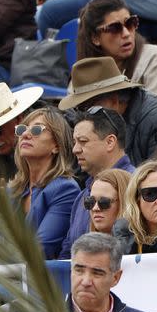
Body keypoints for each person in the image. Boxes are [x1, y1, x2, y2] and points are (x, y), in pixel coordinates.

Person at [59, 56, 157, 166]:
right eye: (79, 108)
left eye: (89, 108)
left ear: (114, 100)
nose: (85, 115)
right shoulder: (105, 119)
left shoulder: (156, 119)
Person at [59, 106, 135, 259]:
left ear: (110, 142)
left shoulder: (140, 187)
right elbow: (67, 254)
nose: (75, 149)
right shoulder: (81, 196)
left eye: (83, 141)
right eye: (75, 142)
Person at [77, 0, 157, 106]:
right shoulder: (83, 71)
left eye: (130, 23)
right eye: (114, 28)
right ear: (95, 38)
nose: (126, 34)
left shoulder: (155, 58)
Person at [8, 108, 81, 259]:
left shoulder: (65, 189)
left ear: (57, 146)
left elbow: (41, 248)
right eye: (22, 129)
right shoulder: (13, 190)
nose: (25, 135)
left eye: (36, 130)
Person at [86, 168, 132, 234]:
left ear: (125, 203)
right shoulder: (87, 243)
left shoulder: (144, 243)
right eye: (90, 202)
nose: (95, 208)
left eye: (104, 202)